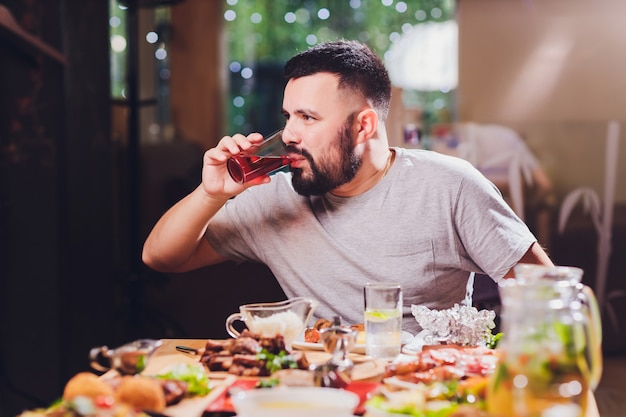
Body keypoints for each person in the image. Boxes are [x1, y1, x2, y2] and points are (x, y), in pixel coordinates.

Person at [142, 39, 553, 334]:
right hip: (317, 391)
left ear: (363, 126)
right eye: (288, 117)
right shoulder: (275, 197)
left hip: (421, 389)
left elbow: (548, 295)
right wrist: (210, 194)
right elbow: (161, 258)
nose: (289, 134)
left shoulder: (450, 186)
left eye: (308, 117)